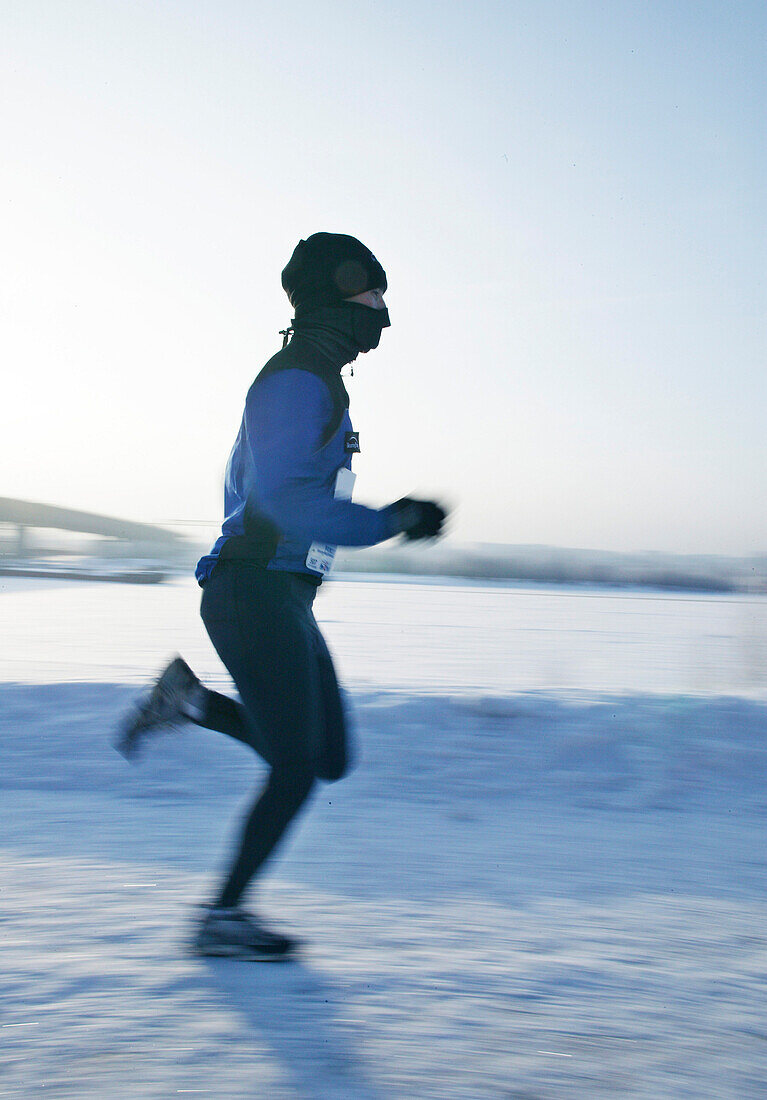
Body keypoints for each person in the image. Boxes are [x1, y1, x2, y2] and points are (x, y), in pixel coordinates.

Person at [116, 232, 446, 960]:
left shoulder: (316, 378)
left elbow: (270, 494)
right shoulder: (298, 378)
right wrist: (394, 519)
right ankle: (222, 918)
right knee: (296, 766)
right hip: (253, 591)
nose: (383, 314)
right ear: (336, 298)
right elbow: (288, 503)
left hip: (278, 595)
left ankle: (189, 700)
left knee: (323, 759)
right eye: (372, 296)